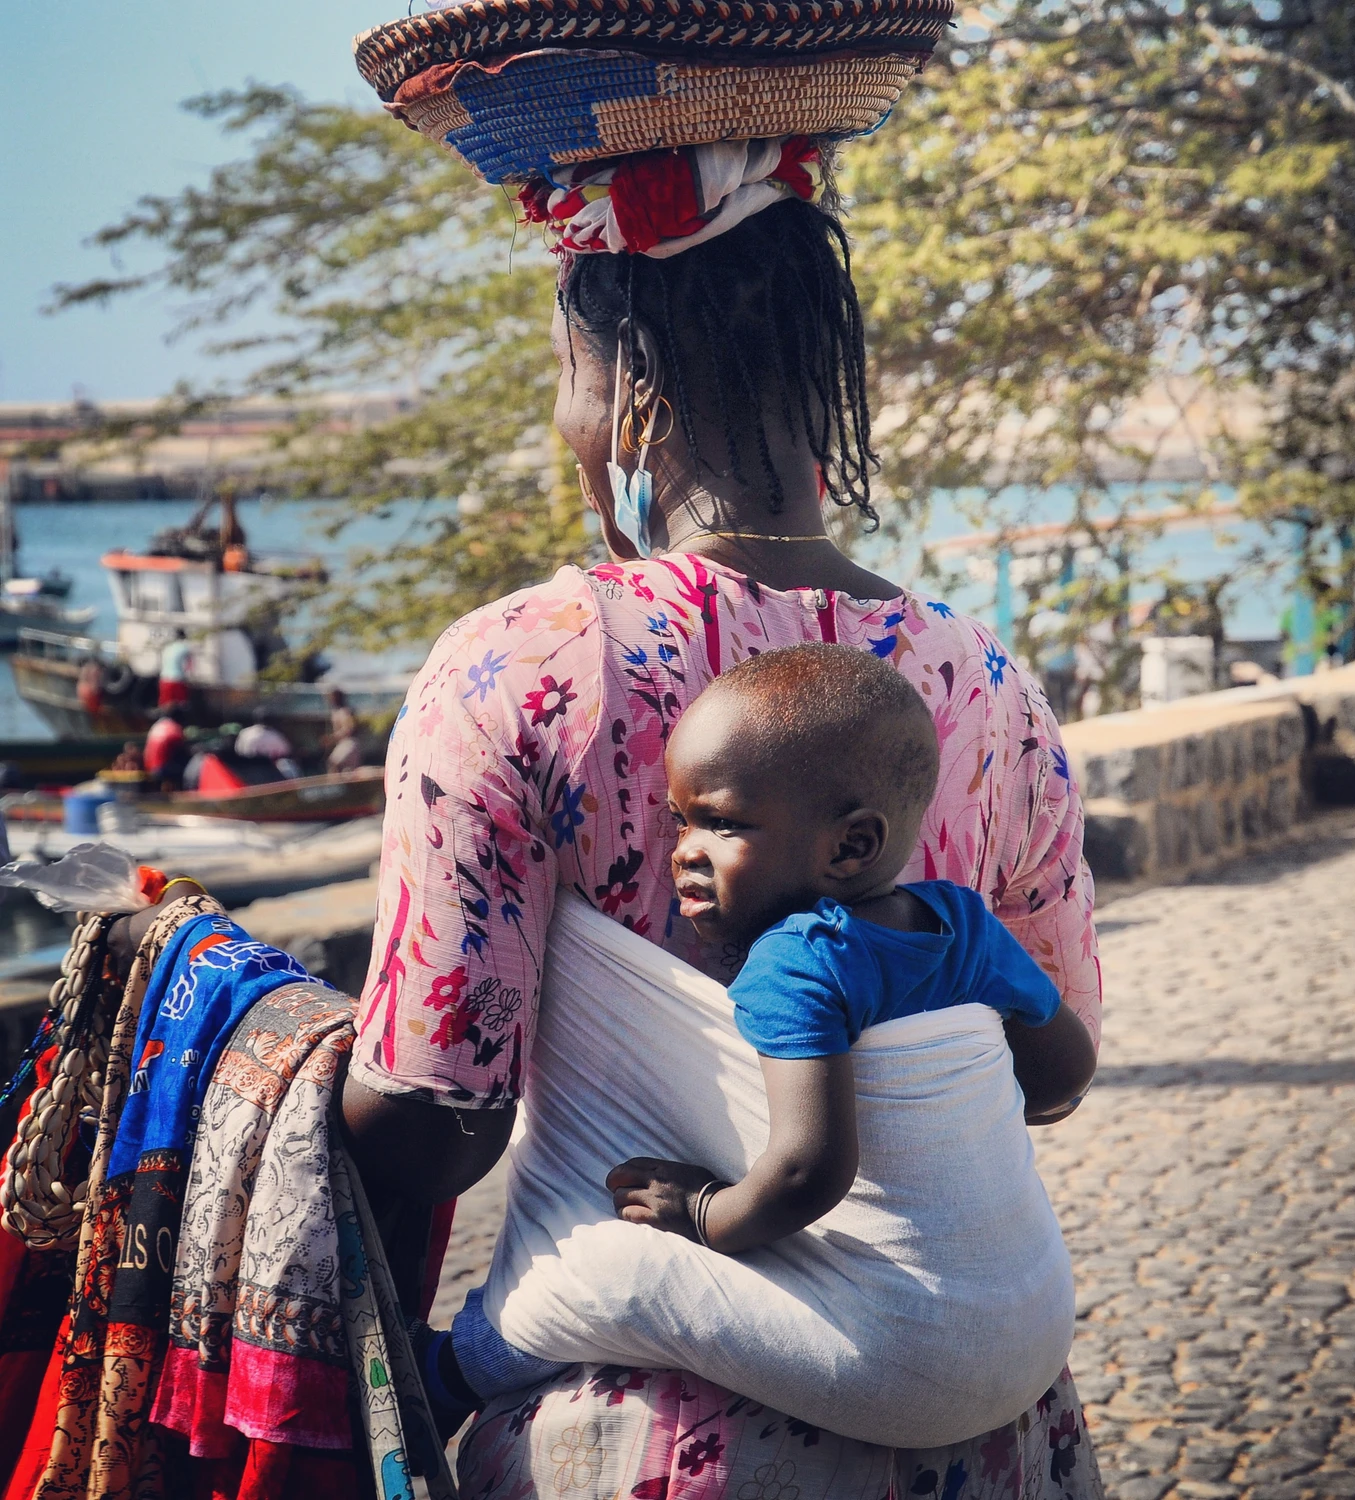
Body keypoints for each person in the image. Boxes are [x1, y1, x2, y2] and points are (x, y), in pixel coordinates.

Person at [336, 185, 1103, 1497]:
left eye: (565, 384)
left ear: (626, 394)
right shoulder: (985, 681)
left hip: (656, 1440)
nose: (568, 428)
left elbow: (436, 1120)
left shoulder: (521, 665)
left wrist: (244, 1047)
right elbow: (1045, 1077)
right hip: (983, 1437)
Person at [416, 646, 1096, 1421]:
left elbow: (808, 1170)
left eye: (724, 824)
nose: (685, 853)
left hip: (915, 1359)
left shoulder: (795, 964)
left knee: (605, 1268)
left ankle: (449, 1376)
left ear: (850, 846)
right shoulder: (965, 923)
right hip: (1036, 1323)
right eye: (681, 820)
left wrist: (701, 1212)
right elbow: (1066, 1072)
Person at [325, 688, 362, 773]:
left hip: (349, 743)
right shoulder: (336, 712)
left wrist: (332, 738)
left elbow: (349, 729)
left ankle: (335, 785)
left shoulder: (345, 712)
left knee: (333, 762)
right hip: (342, 744)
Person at [157, 629, 193, 710]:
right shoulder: (185, 648)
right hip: (177, 679)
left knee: (165, 706)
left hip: (164, 679)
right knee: (181, 705)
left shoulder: (167, 647)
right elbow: (189, 665)